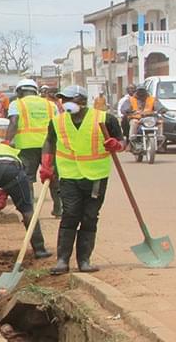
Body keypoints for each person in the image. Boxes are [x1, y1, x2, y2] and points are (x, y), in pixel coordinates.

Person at [42, 85, 125, 275]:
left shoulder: (105, 119)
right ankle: (63, 260)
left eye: (69, 100)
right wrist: (46, 163)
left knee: (89, 217)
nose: (65, 104)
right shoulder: (57, 121)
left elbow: (122, 141)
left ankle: (84, 260)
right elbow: (49, 141)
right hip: (69, 175)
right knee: (70, 214)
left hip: (96, 176)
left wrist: (116, 145)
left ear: (81, 101)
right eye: (63, 100)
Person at [5, 79, 62, 217]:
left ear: (19, 92)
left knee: (27, 178)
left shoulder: (16, 104)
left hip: (26, 146)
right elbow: (59, 123)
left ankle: (29, 210)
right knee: (53, 177)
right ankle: (59, 209)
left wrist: (7, 141)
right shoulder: (50, 105)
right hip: (49, 146)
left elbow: (13, 122)